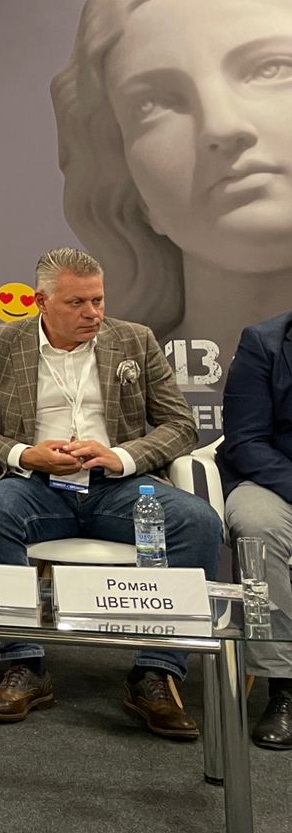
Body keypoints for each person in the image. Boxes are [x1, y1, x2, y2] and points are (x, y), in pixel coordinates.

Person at [0, 247, 222, 738]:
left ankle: (156, 672)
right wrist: (24, 454)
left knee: (199, 521)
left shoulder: (134, 339)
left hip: (119, 487)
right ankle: (25, 665)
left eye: (98, 300)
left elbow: (181, 424)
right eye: (77, 303)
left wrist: (120, 456)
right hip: (36, 487)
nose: (92, 313)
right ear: (41, 302)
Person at [52, 0, 292, 356]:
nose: (221, 125)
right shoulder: (114, 381)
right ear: (127, 181)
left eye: (270, 69)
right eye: (154, 102)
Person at [219, 309, 292, 749]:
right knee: (255, 528)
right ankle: (284, 686)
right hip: (272, 478)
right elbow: (245, 440)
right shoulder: (265, 343)